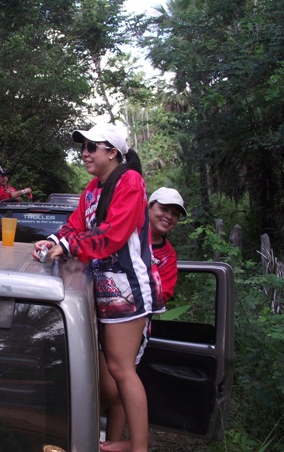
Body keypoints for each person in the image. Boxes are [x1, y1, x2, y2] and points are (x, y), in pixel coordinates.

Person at [32, 122, 164, 452]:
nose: (84, 153)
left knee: (121, 370)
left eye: (92, 146)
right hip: (100, 292)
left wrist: (70, 247)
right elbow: (75, 225)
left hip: (127, 289)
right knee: (107, 381)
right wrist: (50, 242)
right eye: (83, 147)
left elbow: (113, 235)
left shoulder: (130, 181)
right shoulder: (92, 189)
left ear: (113, 152)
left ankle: (139, 448)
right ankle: (101, 441)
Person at [97, 186, 187, 452]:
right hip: (100, 317)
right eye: (163, 209)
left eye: (175, 213)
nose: (168, 217)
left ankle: (109, 443)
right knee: (109, 387)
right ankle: (79, 434)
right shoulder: (127, 235)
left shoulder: (168, 255)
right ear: (148, 207)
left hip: (134, 325)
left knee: (119, 392)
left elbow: (162, 295)